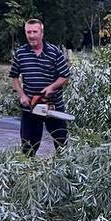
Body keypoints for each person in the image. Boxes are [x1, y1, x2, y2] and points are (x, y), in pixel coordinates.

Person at [9, 19, 71, 157]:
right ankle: (27, 171)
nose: (31, 35)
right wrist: (22, 95)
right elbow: (14, 77)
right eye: (28, 32)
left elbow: (65, 76)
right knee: (28, 146)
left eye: (34, 32)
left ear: (41, 33)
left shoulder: (54, 52)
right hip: (31, 107)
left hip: (53, 106)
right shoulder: (20, 53)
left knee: (61, 142)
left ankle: (64, 168)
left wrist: (52, 87)